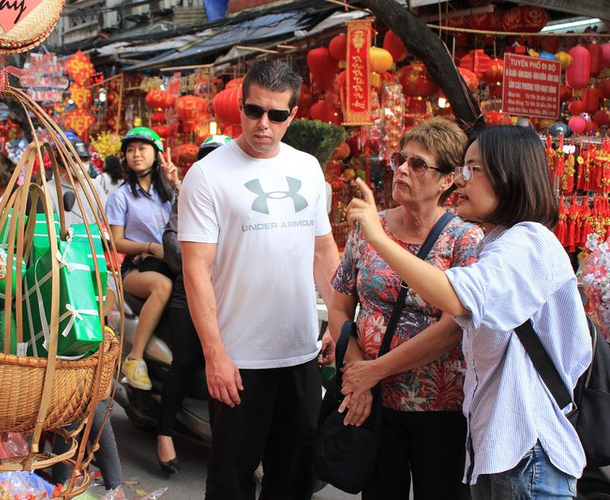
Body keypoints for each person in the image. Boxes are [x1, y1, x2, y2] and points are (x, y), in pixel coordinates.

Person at [345, 124, 592, 499]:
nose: (462, 180)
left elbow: (457, 300)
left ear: (508, 175)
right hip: (500, 450)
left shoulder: (530, 242)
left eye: (472, 169)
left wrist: (378, 238)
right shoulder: (498, 243)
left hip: (528, 452)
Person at [178, 60, 340, 499]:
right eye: (253, 111)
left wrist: (341, 327)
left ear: (293, 113)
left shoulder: (307, 167)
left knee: (294, 478)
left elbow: (323, 251)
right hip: (239, 359)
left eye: (277, 115)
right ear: (241, 107)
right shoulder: (207, 175)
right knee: (231, 480)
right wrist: (215, 354)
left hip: (300, 353)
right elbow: (195, 268)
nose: (263, 124)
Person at [327, 118, 483, 500]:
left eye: (418, 164)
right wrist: (358, 373)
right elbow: (339, 305)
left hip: (440, 408)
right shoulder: (371, 227)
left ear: (447, 180)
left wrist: (373, 372)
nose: (401, 169)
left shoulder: (465, 238)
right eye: (400, 158)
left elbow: (452, 328)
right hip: (375, 403)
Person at [156, 135, 232, 475]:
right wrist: (201, 260)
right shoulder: (188, 199)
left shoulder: (241, 200)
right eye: (208, 159)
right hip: (188, 296)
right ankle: (164, 432)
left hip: (231, 299)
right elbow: (173, 245)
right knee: (186, 360)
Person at [106, 127, 178, 391]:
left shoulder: (168, 193)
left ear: (156, 155)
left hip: (172, 263)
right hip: (137, 269)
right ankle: (135, 358)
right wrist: (150, 246)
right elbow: (116, 241)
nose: (136, 154)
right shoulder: (121, 196)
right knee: (163, 287)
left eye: (142, 149)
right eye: (131, 149)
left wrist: (177, 183)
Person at [44, 145, 108, 225]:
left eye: (84, 160)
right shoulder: (49, 189)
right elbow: (46, 226)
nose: (81, 164)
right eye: (75, 160)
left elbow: (107, 219)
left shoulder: (94, 185)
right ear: (65, 161)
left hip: (92, 236)